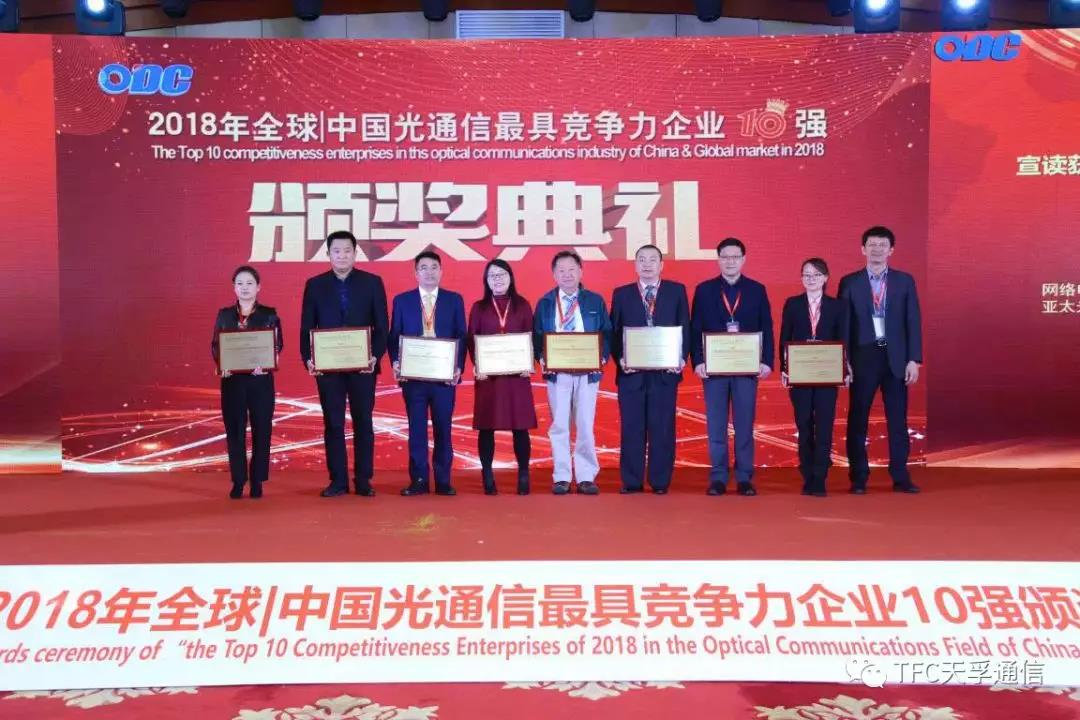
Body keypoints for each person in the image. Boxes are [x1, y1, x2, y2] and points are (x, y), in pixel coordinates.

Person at [300, 230, 388, 498]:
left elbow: (382, 326)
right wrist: (308, 358)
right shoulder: (315, 285)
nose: (342, 256)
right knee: (333, 423)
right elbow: (306, 327)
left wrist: (375, 356)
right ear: (328, 254)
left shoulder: (372, 283)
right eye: (336, 251)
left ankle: (363, 480)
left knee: (364, 422)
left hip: (364, 366)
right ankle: (338, 480)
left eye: (347, 250)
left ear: (355, 253)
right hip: (328, 369)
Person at [838, 226, 923, 494]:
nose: (877, 249)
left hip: (896, 359)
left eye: (882, 245)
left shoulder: (904, 281)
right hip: (862, 358)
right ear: (863, 249)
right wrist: (844, 360)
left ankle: (900, 476)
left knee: (898, 419)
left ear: (891, 250)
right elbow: (844, 325)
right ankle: (858, 477)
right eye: (872, 245)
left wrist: (914, 359)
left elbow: (913, 320)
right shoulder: (849, 282)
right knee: (858, 418)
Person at [690, 238, 774, 496]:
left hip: (746, 368)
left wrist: (766, 361)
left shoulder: (757, 289)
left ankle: (744, 477)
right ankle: (718, 476)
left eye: (735, 257)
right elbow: (695, 328)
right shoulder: (704, 290)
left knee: (744, 424)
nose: (730, 261)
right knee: (716, 425)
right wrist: (698, 361)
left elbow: (767, 326)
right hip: (714, 369)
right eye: (725, 257)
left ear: (743, 259)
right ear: (718, 260)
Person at [609, 245, 690, 495]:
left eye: (653, 260)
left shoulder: (676, 291)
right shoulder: (622, 294)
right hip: (631, 375)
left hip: (665, 374)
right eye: (642, 260)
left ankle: (660, 481)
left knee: (662, 428)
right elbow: (614, 332)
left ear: (661, 265)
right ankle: (632, 481)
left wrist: (681, 358)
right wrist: (620, 359)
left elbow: (685, 327)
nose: (647, 264)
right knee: (632, 428)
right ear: (635, 265)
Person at [389, 250, 467, 496]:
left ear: (441, 272)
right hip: (414, 378)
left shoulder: (454, 300)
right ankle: (419, 479)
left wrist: (458, 367)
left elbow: (461, 336)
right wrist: (396, 362)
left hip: (444, 377)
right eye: (424, 268)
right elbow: (394, 336)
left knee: (444, 428)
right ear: (416, 273)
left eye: (434, 267)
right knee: (417, 429)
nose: (429, 272)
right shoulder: (402, 301)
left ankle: (443, 480)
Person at [533, 250, 611, 495]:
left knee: (585, 424)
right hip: (558, 374)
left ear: (581, 272)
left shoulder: (595, 301)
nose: (567, 275)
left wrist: (601, 356)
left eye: (571, 269)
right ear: (554, 275)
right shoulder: (545, 302)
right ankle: (562, 476)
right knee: (560, 425)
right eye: (561, 271)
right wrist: (542, 357)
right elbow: (537, 336)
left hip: (588, 373)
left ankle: (586, 476)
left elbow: (607, 333)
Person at [779, 258, 850, 497]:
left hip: (827, 375)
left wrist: (844, 368)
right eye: (807, 275)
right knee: (804, 424)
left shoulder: (838, 306)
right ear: (801, 278)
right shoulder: (793, 304)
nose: (811, 279)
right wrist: (785, 368)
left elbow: (844, 339)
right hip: (799, 374)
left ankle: (820, 477)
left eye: (816, 275)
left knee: (824, 425)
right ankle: (807, 473)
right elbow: (784, 337)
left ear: (825, 278)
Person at [211, 265, 283, 499]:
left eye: (249, 283)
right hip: (232, 382)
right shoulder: (224, 315)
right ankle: (238, 480)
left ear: (258, 287)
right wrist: (221, 364)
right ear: (234, 287)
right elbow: (216, 345)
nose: (245, 288)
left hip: (260, 381)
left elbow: (277, 344)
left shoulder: (269, 314)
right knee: (235, 431)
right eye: (240, 283)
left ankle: (258, 480)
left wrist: (267, 362)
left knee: (262, 429)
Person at [467, 259, 537, 496]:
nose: (497, 279)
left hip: (517, 376)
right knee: (486, 427)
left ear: (510, 277)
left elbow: (531, 336)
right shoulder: (479, 307)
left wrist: (529, 362)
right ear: (486, 281)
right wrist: (478, 364)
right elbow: (472, 339)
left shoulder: (522, 305)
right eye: (492, 276)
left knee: (520, 427)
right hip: (489, 378)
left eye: (501, 274)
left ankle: (524, 474)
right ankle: (487, 474)